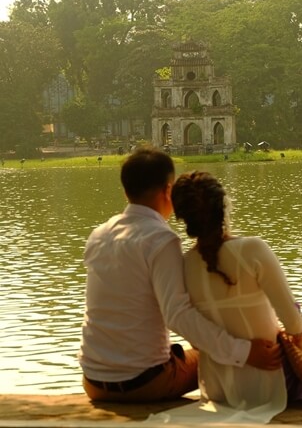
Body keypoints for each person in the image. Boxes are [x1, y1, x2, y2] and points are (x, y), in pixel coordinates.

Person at [78, 146, 282, 403]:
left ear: (125, 190)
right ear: (168, 191)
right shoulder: (160, 239)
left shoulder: (98, 235)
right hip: (142, 383)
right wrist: (245, 351)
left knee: (206, 348)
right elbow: (177, 315)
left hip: (93, 381)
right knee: (215, 358)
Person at [164, 170, 302, 422]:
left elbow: (197, 341)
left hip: (217, 390)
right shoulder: (253, 249)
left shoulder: (183, 264)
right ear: (223, 207)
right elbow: (294, 324)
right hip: (270, 385)